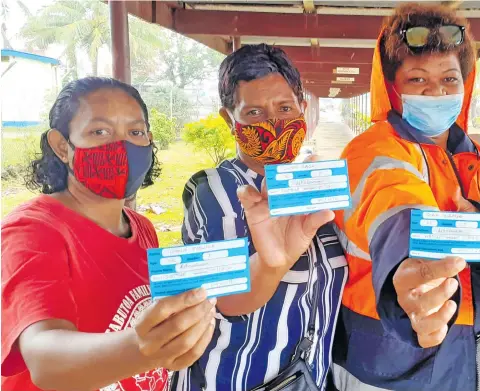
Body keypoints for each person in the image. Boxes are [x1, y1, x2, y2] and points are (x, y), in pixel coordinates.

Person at [331, 4, 480, 391]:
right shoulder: (370, 150)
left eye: (448, 79)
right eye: (417, 78)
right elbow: (401, 212)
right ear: (394, 86)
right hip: (390, 364)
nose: (435, 91)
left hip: (479, 355)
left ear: (464, 83)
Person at [1, 77, 216, 391]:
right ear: (62, 146)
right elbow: (43, 357)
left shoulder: (142, 228)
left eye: (135, 132)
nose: (122, 146)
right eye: (99, 132)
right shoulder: (31, 231)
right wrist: (139, 348)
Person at [173, 44, 347, 391]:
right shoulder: (214, 193)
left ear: (303, 108)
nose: (274, 123)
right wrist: (271, 264)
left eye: (285, 108)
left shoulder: (316, 187)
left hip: (306, 379)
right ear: (229, 119)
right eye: (254, 112)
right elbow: (223, 299)